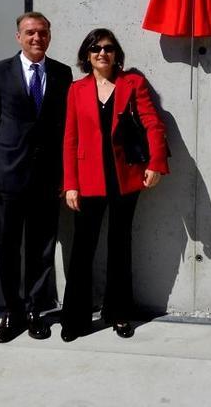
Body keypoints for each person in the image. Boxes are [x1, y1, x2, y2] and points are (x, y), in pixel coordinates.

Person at [60, 28, 169, 342]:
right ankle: (75, 319)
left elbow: (153, 124)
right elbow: (69, 139)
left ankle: (119, 312)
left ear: (116, 53)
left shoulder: (132, 84)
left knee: (120, 246)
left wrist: (156, 164)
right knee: (82, 249)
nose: (102, 53)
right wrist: (70, 184)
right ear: (87, 55)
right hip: (87, 180)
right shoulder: (76, 90)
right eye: (95, 48)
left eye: (108, 48)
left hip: (126, 178)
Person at [0, 12, 72, 343]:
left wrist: (66, 175)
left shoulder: (61, 73)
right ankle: (12, 312)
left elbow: (67, 130)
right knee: (7, 246)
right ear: (18, 37)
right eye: (30, 33)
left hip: (46, 178)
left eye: (42, 32)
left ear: (49, 36)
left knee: (42, 249)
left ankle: (34, 311)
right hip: (6, 177)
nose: (36, 38)